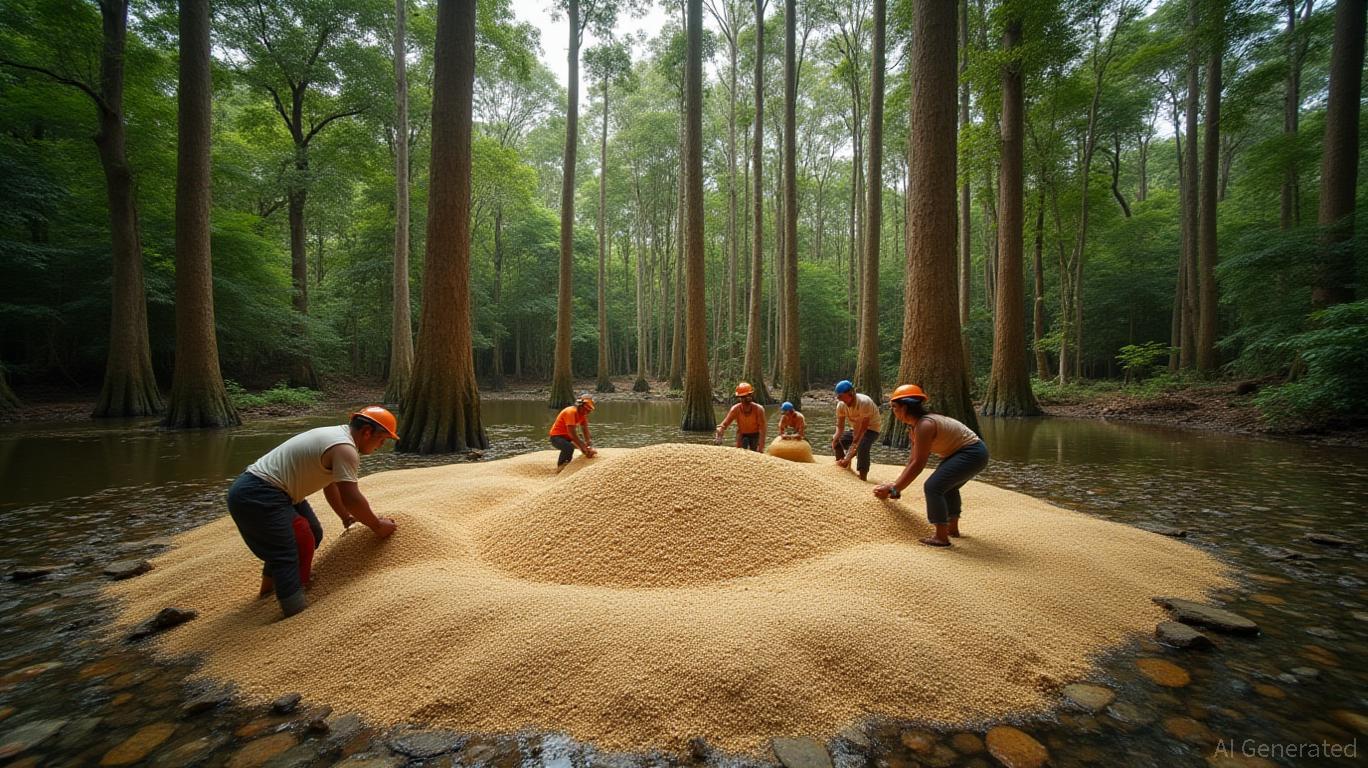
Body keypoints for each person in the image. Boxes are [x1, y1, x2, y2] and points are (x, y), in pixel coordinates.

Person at [227, 406, 399, 617]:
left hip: (273, 491)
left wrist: (345, 517)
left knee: (312, 533)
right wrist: (377, 525)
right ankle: (294, 611)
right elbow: (351, 497)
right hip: (259, 493)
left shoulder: (337, 436)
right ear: (366, 432)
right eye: (382, 440)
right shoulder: (345, 448)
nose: (381, 446)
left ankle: (271, 592)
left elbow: (331, 485)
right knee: (294, 543)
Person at [874, 385, 990, 548]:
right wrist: (895, 486)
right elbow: (913, 460)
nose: (893, 411)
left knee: (933, 486)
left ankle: (941, 537)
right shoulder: (915, 427)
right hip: (968, 453)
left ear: (905, 407)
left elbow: (919, 464)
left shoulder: (925, 425)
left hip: (971, 453)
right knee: (947, 487)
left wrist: (896, 489)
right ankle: (952, 529)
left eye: (894, 407)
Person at [831, 379, 880, 480]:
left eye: (844, 399)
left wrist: (848, 457)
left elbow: (861, 432)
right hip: (855, 428)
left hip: (871, 429)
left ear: (851, 393)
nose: (843, 402)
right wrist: (835, 438)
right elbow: (840, 426)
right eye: (841, 399)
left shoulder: (864, 402)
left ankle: (862, 476)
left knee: (862, 445)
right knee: (838, 442)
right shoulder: (841, 405)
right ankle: (843, 467)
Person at [550, 393, 598, 471]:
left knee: (584, 448)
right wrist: (582, 447)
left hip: (568, 437)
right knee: (569, 448)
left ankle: (576, 464)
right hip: (556, 437)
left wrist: (588, 444)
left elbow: (585, 430)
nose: (587, 412)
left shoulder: (583, 415)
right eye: (586, 409)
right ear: (580, 405)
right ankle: (562, 466)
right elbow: (572, 433)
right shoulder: (570, 412)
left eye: (589, 410)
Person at [715, 382, 767, 451]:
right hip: (742, 434)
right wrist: (720, 431)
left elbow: (762, 429)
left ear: (751, 396)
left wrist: (761, 447)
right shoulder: (735, 409)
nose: (746, 399)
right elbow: (724, 424)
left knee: (756, 453)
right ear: (739, 398)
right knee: (739, 452)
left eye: (748, 395)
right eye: (743, 397)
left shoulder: (759, 409)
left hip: (755, 435)